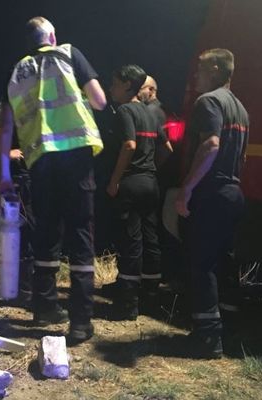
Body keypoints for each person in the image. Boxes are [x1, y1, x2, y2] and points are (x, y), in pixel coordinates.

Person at [0, 16, 107, 343]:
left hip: (39, 159)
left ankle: (44, 307)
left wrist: (3, 174)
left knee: (46, 231)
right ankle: (80, 321)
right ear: (53, 37)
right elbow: (100, 101)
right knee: (80, 232)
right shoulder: (69, 54)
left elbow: (5, 127)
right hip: (75, 154)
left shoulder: (16, 71)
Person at [175, 48, 249, 359]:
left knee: (201, 263)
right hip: (233, 192)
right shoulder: (241, 109)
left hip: (211, 193)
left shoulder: (209, 102)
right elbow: (241, 155)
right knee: (224, 261)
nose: (196, 76)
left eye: (200, 69)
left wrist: (187, 189)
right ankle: (226, 326)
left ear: (216, 69)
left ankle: (207, 339)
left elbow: (211, 144)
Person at [105, 65, 173, 320]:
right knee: (150, 236)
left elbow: (129, 144)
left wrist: (115, 180)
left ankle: (127, 303)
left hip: (131, 183)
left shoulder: (124, 110)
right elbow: (167, 148)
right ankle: (151, 295)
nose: (111, 88)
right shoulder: (153, 113)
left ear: (127, 85)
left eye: (114, 83)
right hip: (151, 182)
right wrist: (151, 168)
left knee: (130, 240)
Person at [0, 102, 34, 304]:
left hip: (30, 176)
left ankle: (23, 288)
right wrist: (7, 152)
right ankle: (23, 290)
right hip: (20, 178)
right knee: (24, 230)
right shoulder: (13, 100)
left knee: (28, 230)